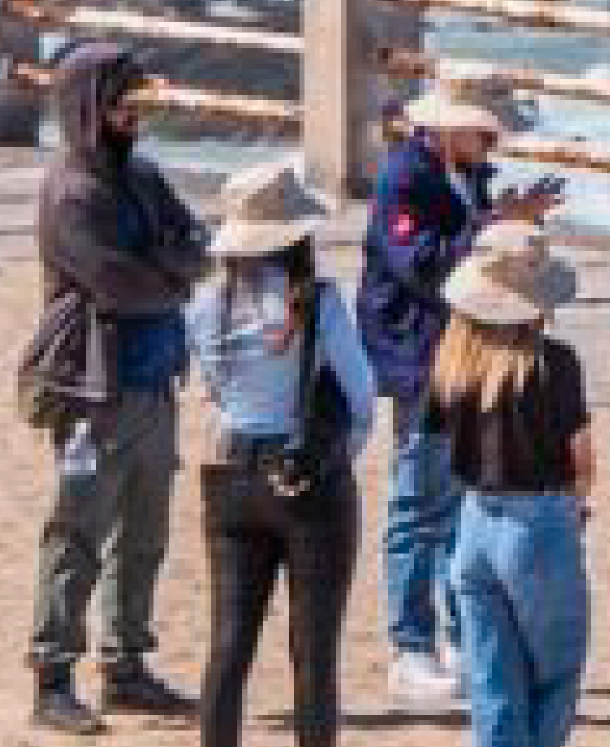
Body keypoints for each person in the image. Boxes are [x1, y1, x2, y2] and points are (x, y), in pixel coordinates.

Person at [23, 46, 215, 734]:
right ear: (89, 107)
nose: (134, 116)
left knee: (145, 534)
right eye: (122, 104)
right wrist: (173, 269)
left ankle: (126, 666)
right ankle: (52, 675)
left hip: (154, 381)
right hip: (92, 391)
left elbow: (199, 245)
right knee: (77, 530)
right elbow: (116, 281)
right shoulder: (71, 192)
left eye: (139, 104)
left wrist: (169, 264)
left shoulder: (143, 175)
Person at [363, 85, 559, 705]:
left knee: (463, 500)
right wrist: (493, 228)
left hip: (465, 351)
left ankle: (458, 637)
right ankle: (410, 646)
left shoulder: (464, 175)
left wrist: (499, 222)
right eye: (482, 132)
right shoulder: (403, 180)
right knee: (418, 504)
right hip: (419, 358)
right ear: (447, 130)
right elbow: (422, 267)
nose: (491, 143)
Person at [188, 157, 377, 747]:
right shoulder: (317, 300)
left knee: (228, 645)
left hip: (231, 472)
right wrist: (334, 455)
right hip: (303, 476)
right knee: (313, 652)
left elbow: (214, 390)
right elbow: (360, 397)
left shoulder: (207, 304)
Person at [435, 223, 598, 747]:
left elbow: (438, 442)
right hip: (539, 522)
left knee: (493, 684)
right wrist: (579, 504)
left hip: (474, 523)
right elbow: (581, 457)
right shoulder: (556, 363)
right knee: (555, 673)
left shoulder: (454, 362)